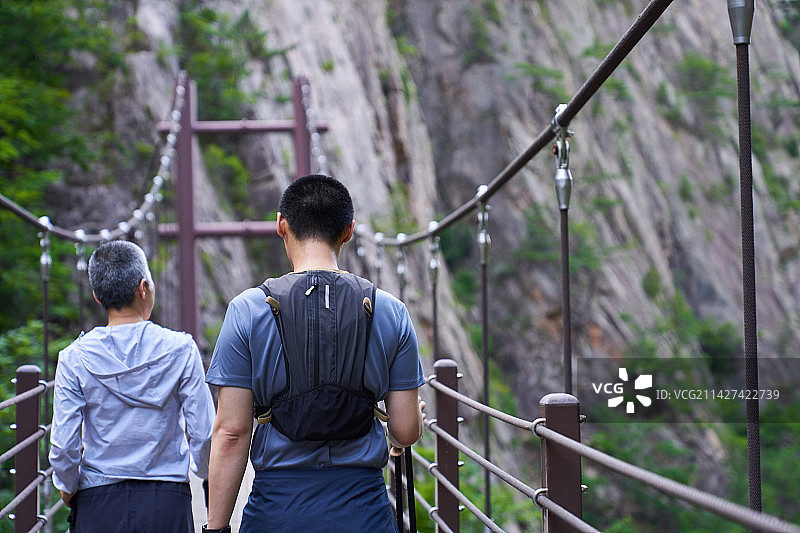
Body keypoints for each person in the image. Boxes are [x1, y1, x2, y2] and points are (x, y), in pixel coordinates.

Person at [204, 174, 425, 533]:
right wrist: (409, 418)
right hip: (363, 512)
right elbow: (404, 430)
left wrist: (215, 527)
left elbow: (231, 433)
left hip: (276, 513)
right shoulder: (391, 311)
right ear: (349, 230)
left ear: (281, 225)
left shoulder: (247, 310)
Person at [49, 240, 215, 532]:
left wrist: (67, 484)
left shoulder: (73, 357)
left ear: (97, 297)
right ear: (143, 288)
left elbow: (64, 444)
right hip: (167, 500)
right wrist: (205, 473)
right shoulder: (181, 349)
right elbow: (202, 433)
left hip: (97, 502)